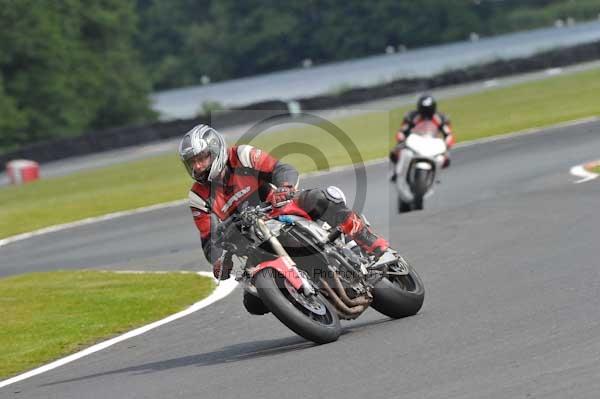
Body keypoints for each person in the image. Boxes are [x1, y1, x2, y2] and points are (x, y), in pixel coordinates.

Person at [178, 124, 390, 288]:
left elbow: (280, 168)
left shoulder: (241, 155)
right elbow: (209, 240)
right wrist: (218, 260)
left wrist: (285, 187)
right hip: (251, 241)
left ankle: (369, 241)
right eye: (192, 162)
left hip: (278, 209)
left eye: (201, 158)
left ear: (215, 150)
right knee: (253, 303)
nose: (197, 166)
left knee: (320, 198)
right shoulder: (198, 196)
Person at [389, 94, 455, 182]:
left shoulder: (440, 118)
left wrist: (446, 145)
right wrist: (401, 140)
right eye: (424, 110)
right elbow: (402, 131)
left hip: (432, 143)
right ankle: (397, 171)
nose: (426, 113)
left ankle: (435, 174)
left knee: (446, 159)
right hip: (415, 141)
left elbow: (448, 134)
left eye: (429, 110)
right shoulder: (411, 116)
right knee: (395, 152)